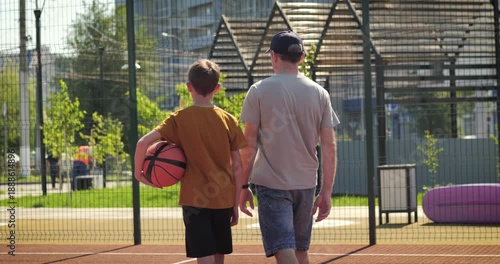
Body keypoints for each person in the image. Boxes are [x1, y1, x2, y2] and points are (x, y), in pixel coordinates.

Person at [238, 30, 339, 264]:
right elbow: (329, 146)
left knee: (284, 251)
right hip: (306, 184)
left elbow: (248, 145)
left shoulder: (259, 90)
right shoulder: (320, 93)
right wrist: (326, 191)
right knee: (301, 252)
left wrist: (243, 184)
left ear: (273, 56)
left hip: (271, 184)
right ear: (302, 58)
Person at [134, 59, 247, 264]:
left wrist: (138, 174)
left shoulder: (179, 118)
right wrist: (235, 200)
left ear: (188, 87)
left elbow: (143, 143)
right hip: (222, 195)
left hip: (194, 199)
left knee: (203, 254)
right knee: (218, 254)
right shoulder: (229, 120)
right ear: (218, 88)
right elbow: (238, 166)